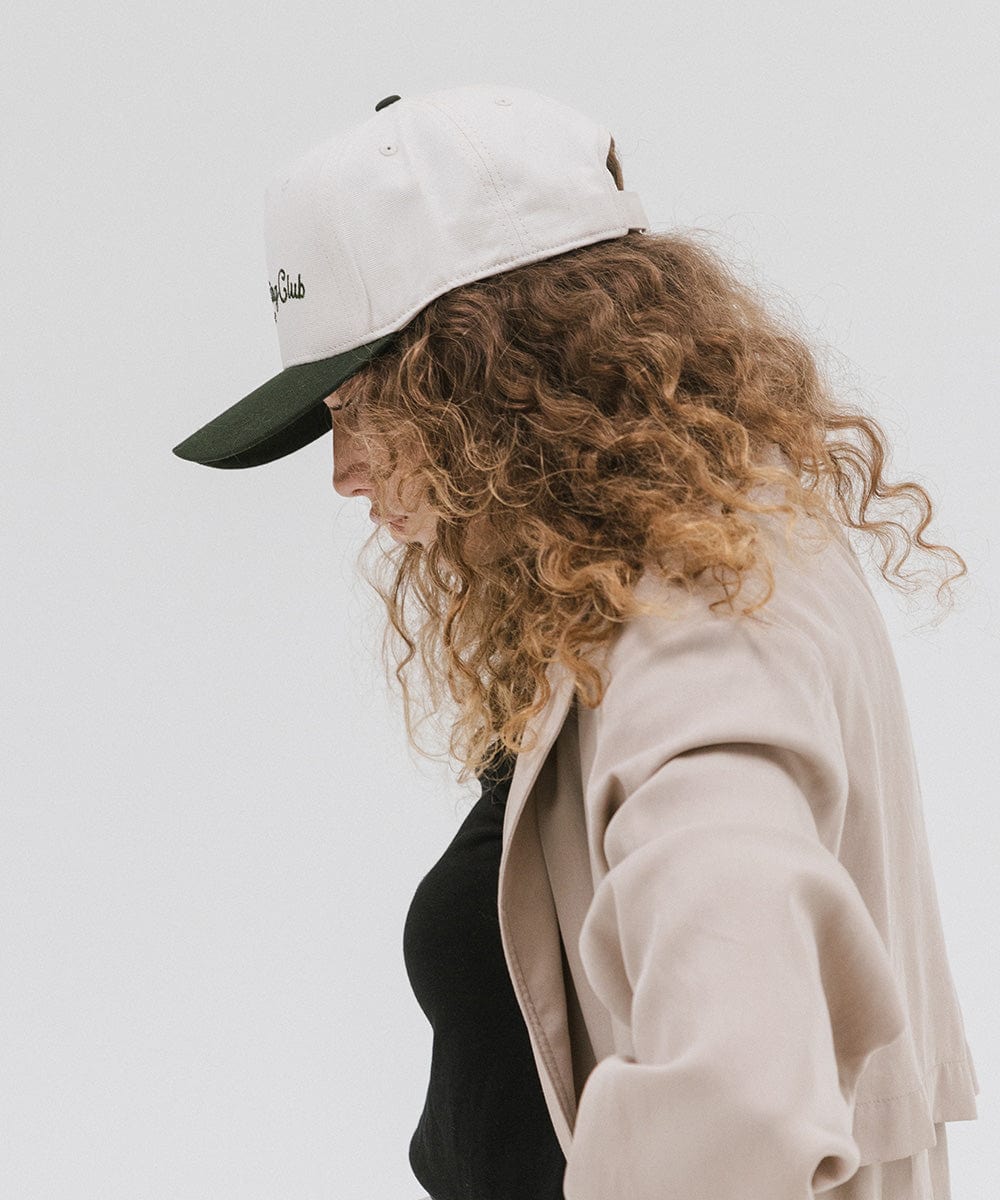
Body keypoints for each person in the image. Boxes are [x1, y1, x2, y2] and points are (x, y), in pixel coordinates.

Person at [172, 84, 979, 1200]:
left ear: (490, 373)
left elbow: (740, 1087)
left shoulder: (702, 624)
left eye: (359, 405)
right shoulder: (667, 562)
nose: (342, 469)